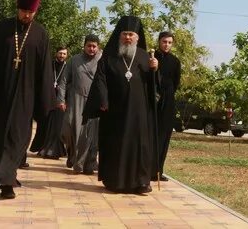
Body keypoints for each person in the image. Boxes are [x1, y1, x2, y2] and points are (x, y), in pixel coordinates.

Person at [0, 0, 54, 199]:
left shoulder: (40, 34)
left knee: (17, 140)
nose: (27, 15)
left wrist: (43, 101)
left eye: (30, 12)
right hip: (1, 96)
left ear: (36, 11)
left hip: (26, 98)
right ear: (18, 8)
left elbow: (45, 70)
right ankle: (2, 183)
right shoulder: (2, 29)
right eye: (24, 11)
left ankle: (4, 183)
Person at [83, 16, 158, 194]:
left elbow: (153, 83)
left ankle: (141, 182)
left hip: (139, 112)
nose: (128, 38)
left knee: (139, 145)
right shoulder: (109, 56)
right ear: (119, 35)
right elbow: (100, 79)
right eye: (124, 34)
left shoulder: (144, 56)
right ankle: (114, 181)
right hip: (114, 110)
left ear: (137, 37)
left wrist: (155, 69)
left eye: (131, 34)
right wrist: (103, 100)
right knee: (115, 143)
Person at [60, 35, 102, 174]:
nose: (91, 49)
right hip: (75, 99)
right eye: (89, 46)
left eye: (94, 46)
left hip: (95, 102)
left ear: (98, 47)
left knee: (91, 134)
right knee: (69, 130)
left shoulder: (103, 60)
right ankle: (72, 154)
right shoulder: (74, 60)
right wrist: (61, 99)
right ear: (84, 46)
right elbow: (64, 81)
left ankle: (87, 163)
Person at [153, 31, 181, 182]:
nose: (167, 45)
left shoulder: (175, 61)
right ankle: (147, 169)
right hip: (153, 100)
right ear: (159, 41)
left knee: (164, 136)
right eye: (164, 42)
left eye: (170, 42)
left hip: (168, 100)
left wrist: (167, 94)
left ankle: (158, 170)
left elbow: (176, 82)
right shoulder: (151, 57)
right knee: (152, 135)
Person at [34, 47, 69, 159]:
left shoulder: (68, 67)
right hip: (48, 98)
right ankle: (44, 148)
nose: (62, 55)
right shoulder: (49, 65)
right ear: (56, 53)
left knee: (58, 126)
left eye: (64, 54)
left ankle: (55, 150)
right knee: (46, 124)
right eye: (60, 53)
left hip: (61, 100)